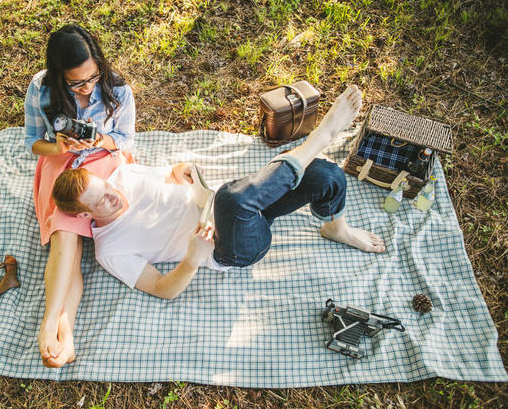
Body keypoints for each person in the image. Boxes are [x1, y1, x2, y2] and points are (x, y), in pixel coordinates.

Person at [51, 85, 386, 299]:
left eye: (106, 186)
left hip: (232, 205)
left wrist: (183, 171)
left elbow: (169, 174)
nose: (113, 194)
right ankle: (321, 137)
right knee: (231, 197)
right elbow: (161, 289)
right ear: (83, 214)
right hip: (232, 247)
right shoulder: (109, 249)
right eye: (101, 200)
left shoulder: (122, 175)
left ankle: (335, 226)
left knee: (325, 174)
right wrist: (192, 259)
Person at [24, 24, 135, 367]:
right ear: (60, 77)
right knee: (65, 231)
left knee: (70, 225)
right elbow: (33, 143)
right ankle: (58, 328)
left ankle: (56, 327)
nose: (88, 87)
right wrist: (58, 144)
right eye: (76, 82)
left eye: (92, 76)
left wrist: (101, 140)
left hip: (102, 159)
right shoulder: (41, 88)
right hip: (61, 160)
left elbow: (128, 140)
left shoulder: (117, 87)